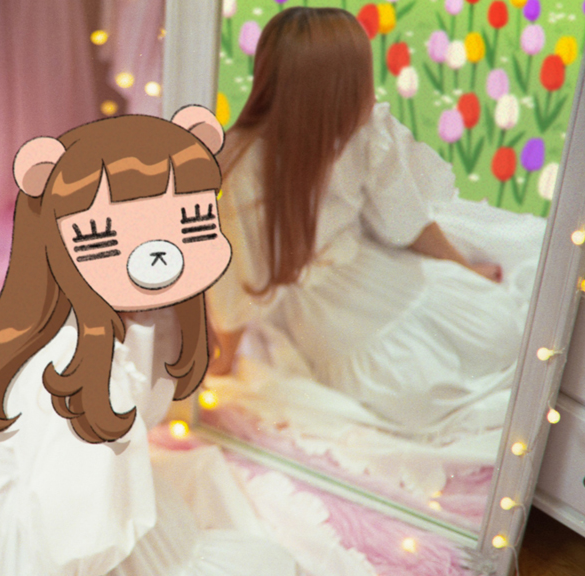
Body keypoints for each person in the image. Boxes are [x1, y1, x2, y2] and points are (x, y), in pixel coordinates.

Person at [0, 108, 298, 576]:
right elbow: (72, 538)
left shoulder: (139, 316)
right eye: (111, 236)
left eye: (189, 221)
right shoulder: (69, 370)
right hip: (20, 532)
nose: (160, 255)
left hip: (58, 494)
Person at [207, 7, 539, 434]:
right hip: (328, 307)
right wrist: (221, 366)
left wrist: (462, 268)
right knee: (430, 390)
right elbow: (238, 283)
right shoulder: (245, 168)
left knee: (496, 337)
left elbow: (404, 216)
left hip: (371, 275)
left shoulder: (358, 131)